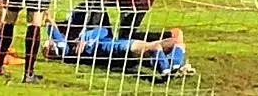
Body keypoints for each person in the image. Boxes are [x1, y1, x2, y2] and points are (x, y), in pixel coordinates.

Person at [43, 17, 189, 79]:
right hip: (114, 51)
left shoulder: (79, 40)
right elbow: (57, 38)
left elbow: (104, 31)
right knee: (154, 47)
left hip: (118, 43)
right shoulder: (68, 52)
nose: (49, 43)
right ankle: (165, 70)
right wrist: (49, 21)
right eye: (48, 46)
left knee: (177, 44)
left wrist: (85, 38)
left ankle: (173, 65)